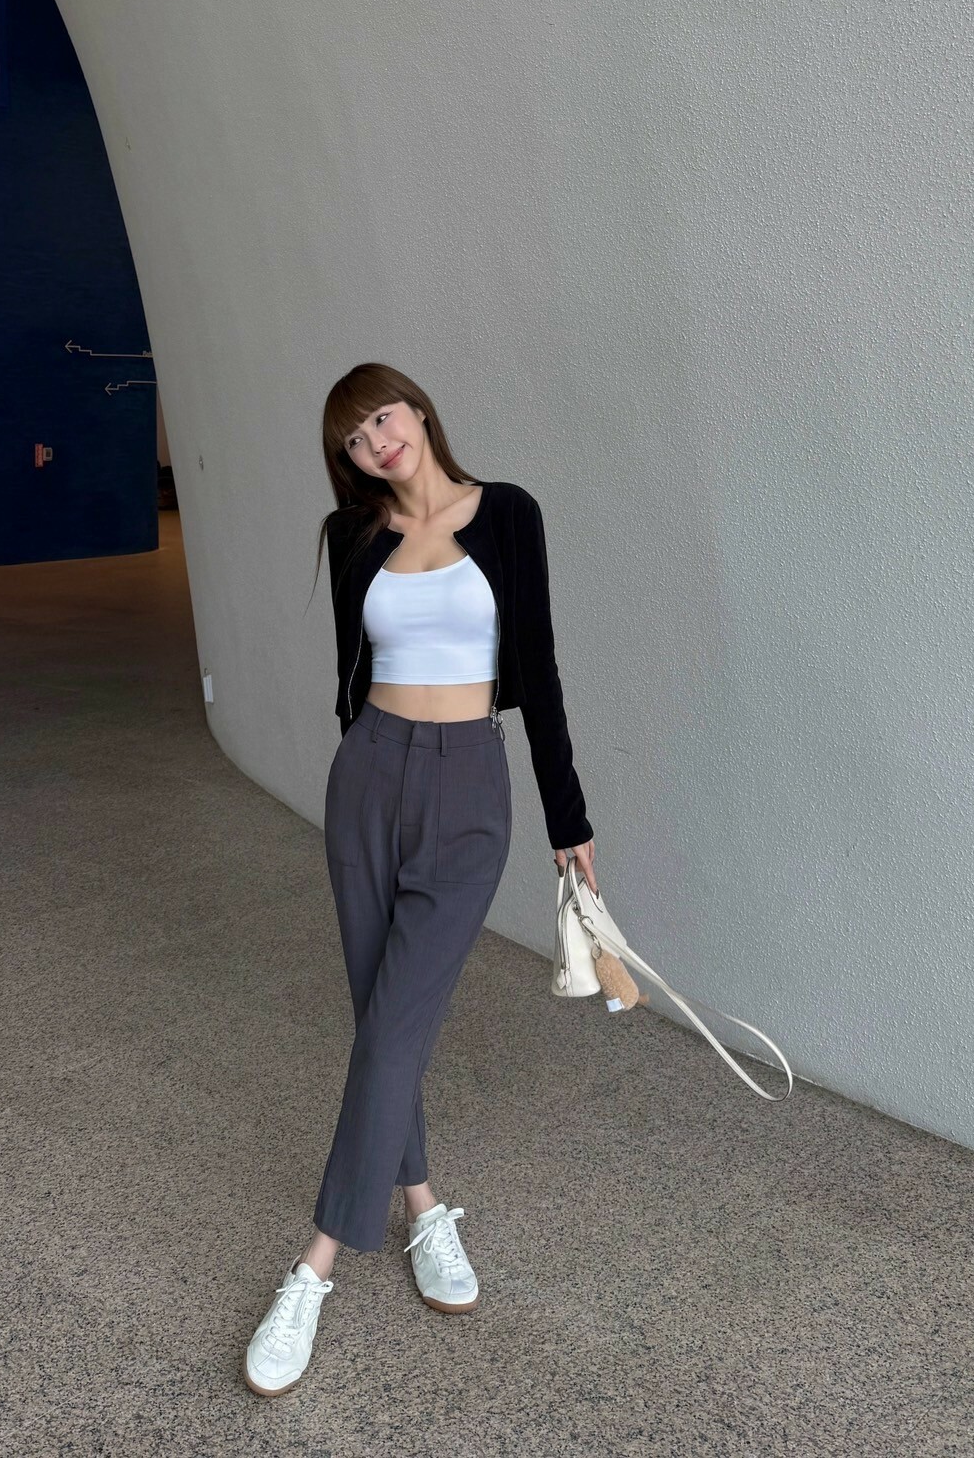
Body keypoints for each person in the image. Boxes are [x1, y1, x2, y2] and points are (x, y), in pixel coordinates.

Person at [244, 362, 597, 1396]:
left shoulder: (510, 514)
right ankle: (423, 1207)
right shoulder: (354, 536)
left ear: (418, 409)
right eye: (353, 440)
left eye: (382, 418)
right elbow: (349, 676)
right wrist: (367, 767)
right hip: (369, 774)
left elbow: (540, 668)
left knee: (395, 1028)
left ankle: (313, 1266)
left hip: (468, 783)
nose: (375, 443)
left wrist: (568, 819)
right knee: (379, 1022)